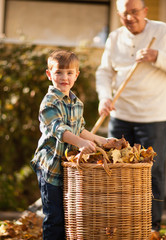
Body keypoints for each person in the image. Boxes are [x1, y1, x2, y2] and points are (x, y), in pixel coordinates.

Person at [95, 0, 166, 238]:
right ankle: (116, 224)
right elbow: (104, 72)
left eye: (135, 12)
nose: (130, 18)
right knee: (115, 170)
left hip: (153, 116)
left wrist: (157, 56)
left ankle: (152, 227)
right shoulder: (115, 38)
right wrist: (105, 97)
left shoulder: (162, 32)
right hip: (121, 115)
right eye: (124, 14)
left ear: (145, 12)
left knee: (152, 171)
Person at [31, 49, 108, 240]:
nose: (64, 77)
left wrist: (102, 140)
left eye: (69, 73)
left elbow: (79, 129)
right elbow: (60, 130)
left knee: (69, 215)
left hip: (68, 169)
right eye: (58, 72)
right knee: (54, 216)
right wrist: (81, 143)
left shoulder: (76, 103)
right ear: (49, 74)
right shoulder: (49, 102)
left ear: (76, 75)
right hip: (50, 168)